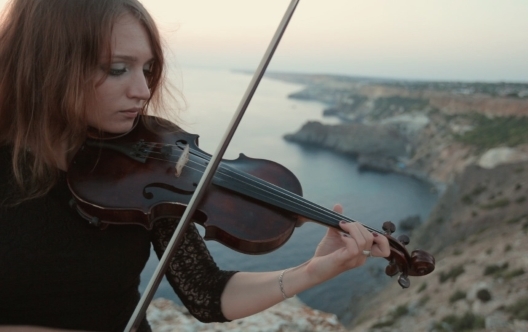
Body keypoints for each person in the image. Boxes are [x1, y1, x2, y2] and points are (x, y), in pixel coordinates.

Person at [0, 0, 390, 331]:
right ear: (49, 64)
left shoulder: (153, 155)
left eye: (147, 69)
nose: (142, 90)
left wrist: (313, 271)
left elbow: (205, 291)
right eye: (118, 68)